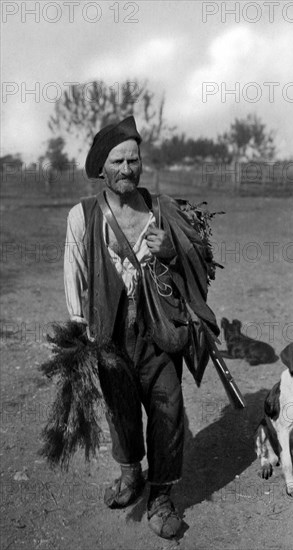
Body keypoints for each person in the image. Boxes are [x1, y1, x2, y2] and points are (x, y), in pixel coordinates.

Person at [64, 116, 219, 539]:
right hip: (109, 335)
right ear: (101, 166)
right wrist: (80, 332)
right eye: (118, 161)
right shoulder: (83, 217)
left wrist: (171, 250)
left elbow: (201, 265)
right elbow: (74, 274)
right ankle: (131, 474)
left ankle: (161, 495)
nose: (128, 168)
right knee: (122, 412)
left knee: (168, 409)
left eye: (134, 159)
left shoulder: (162, 209)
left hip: (160, 332)